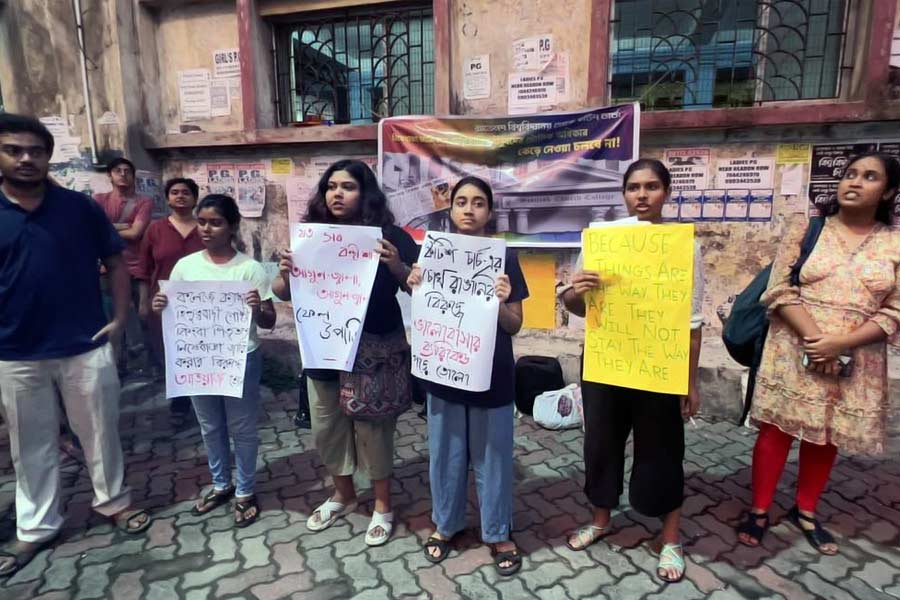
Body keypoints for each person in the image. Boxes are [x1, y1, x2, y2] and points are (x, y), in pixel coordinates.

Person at [0, 114, 151, 577]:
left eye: (36, 151)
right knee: (31, 445)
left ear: (48, 156)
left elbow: (116, 261)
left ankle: (115, 504)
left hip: (85, 342)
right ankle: (36, 526)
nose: (27, 158)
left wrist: (121, 319)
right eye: (14, 150)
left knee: (101, 431)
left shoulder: (79, 208)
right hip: (15, 351)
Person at [736, 153, 900, 555]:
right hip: (794, 346)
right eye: (849, 174)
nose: (854, 182)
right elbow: (777, 289)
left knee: (826, 436)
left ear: (889, 191)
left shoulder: (894, 243)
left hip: (855, 356)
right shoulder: (807, 229)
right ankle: (759, 510)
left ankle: (805, 510)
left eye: (869, 177)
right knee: (777, 431)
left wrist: (840, 344)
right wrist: (816, 339)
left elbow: (895, 310)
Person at [560, 159, 704, 583]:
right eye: (634, 187)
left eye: (652, 187)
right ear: (623, 194)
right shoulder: (603, 241)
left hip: (659, 367)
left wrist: (689, 382)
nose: (642, 195)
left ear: (667, 193)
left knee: (663, 450)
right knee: (601, 446)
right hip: (607, 364)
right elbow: (573, 307)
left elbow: (693, 323)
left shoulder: (684, 245)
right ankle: (600, 519)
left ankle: (670, 537)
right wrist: (575, 289)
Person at [272, 159, 417, 546]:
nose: (337, 193)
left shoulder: (390, 236)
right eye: (331, 186)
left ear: (364, 192)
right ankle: (344, 495)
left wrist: (398, 266)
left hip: (373, 350)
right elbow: (282, 292)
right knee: (327, 427)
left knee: (374, 431)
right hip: (323, 348)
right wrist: (286, 270)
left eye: (347, 186)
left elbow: (420, 287)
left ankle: (383, 505)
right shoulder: (311, 237)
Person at [408, 176, 529, 576]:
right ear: (451, 208)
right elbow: (426, 309)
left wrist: (500, 301)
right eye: (462, 201)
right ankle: (446, 525)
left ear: (489, 212)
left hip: (491, 375)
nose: (469, 209)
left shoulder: (504, 258)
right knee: (445, 454)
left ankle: (497, 532)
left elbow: (514, 326)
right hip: (444, 368)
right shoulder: (433, 254)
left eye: (479, 203)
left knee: (493, 458)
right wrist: (415, 285)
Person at [152, 194, 275, 527]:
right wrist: (160, 305)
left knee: (243, 428)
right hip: (198, 359)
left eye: (216, 222)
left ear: (232, 226)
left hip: (240, 359)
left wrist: (257, 307)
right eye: (202, 221)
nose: (206, 228)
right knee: (210, 426)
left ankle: (245, 491)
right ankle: (221, 484)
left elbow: (268, 321)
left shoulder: (249, 268)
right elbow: (170, 308)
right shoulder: (186, 266)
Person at [136, 177, 204, 412]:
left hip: (201, 305)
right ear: (167, 198)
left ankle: (204, 400)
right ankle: (180, 402)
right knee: (170, 352)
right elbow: (143, 269)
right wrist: (144, 302)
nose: (180, 196)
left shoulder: (205, 228)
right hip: (164, 304)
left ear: (195, 198)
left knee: (200, 350)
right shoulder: (155, 229)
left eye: (186, 192)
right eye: (174, 192)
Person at [94, 157, 154, 372]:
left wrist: (108, 227)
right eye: (117, 170)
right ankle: (117, 367)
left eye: (127, 170)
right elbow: (95, 232)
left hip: (136, 268)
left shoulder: (143, 202)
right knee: (111, 320)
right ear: (109, 175)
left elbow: (136, 232)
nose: (123, 174)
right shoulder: (99, 200)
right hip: (106, 269)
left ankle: (145, 367)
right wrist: (123, 226)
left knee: (142, 317)